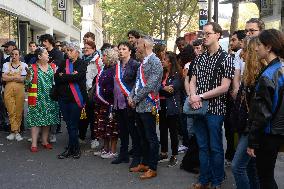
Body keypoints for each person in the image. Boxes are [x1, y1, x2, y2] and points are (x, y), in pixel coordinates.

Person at [189, 22, 234, 189]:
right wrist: (193, 96)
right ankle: (203, 179)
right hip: (198, 107)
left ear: (218, 35)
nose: (204, 37)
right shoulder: (200, 58)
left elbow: (224, 87)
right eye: (203, 33)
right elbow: (192, 81)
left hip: (215, 110)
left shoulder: (226, 58)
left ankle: (216, 181)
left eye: (208, 34)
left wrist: (199, 96)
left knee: (215, 147)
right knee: (202, 146)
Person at [247, 29, 284, 189]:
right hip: (276, 133)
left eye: (259, 45)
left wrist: (252, 142)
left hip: (267, 135)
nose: (256, 48)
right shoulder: (280, 70)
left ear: (268, 47)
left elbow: (262, 114)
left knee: (265, 178)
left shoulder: (268, 75)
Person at [231, 36, 266, 189]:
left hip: (251, 129)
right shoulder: (249, 74)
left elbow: (259, 111)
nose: (241, 54)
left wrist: (252, 136)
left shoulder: (262, 76)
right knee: (251, 167)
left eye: (244, 50)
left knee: (237, 167)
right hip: (246, 127)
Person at [128, 36, 163, 179]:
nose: (136, 46)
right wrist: (131, 96)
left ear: (144, 45)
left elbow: (150, 86)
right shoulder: (143, 62)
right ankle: (145, 163)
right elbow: (137, 83)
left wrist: (135, 99)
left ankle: (153, 168)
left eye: (137, 44)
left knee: (151, 138)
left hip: (148, 105)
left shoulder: (156, 62)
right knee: (142, 137)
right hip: (139, 105)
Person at [55, 42, 87, 159]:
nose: (68, 52)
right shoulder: (64, 62)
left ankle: (72, 148)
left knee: (73, 125)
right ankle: (74, 148)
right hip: (63, 98)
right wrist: (68, 76)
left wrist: (64, 76)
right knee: (68, 125)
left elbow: (78, 77)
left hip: (76, 98)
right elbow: (56, 77)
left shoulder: (82, 63)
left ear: (77, 52)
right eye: (67, 50)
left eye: (70, 50)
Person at [111, 41, 141, 166]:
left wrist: (133, 97)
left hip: (129, 103)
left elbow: (138, 83)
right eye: (119, 49)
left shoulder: (135, 65)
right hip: (118, 103)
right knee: (122, 131)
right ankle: (123, 155)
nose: (121, 51)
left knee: (133, 131)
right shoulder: (116, 66)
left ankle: (136, 157)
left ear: (130, 51)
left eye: (124, 49)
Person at [26, 47, 60, 152]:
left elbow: (57, 82)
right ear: (39, 56)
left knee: (47, 121)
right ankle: (34, 143)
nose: (48, 55)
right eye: (45, 53)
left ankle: (45, 141)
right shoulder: (32, 68)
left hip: (50, 99)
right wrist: (27, 77)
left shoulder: (53, 67)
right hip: (36, 99)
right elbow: (27, 85)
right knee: (35, 121)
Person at [93, 48, 119, 159]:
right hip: (102, 103)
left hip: (110, 103)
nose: (101, 58)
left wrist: (105, 92)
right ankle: (105, 148)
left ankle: (112, 151)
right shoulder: (105, 69)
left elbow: (112, 88)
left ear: (109, 57)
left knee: (112, 128)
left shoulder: (114, 70)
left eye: (103, 56)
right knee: (103, 127)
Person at [158, 51, 182, 167]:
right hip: (161, 104)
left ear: (170, 62)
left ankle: (174, 155)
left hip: (172, 105)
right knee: (162, 129)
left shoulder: (176, 74)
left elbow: (173, 89)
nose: (162, 61)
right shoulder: (162, 73)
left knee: (173, 131)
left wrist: (162, 88)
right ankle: (164, 152)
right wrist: (163, 87)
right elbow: (156, 86)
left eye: (164, 59)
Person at [78, 40, 103, 149]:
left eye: (88, 48)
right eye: (84, 47)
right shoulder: (81, 60)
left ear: (94, 49)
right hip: (81, 92)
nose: (85, 49)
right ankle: (81, 137)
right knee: (82, 116)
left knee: (93, 117)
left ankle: (94, 138)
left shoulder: (98, 62)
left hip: (92, 93)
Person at [39, 34, 64, 139]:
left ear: (49, 41)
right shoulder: (41, 52)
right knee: (42, 107)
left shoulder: (57, 53)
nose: (43, 44)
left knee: (54, 107)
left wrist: (46, 64)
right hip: (42, 84)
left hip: (54, 84)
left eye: (44, 41)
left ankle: (54, 131)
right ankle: (42, 133)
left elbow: (55, 67)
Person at [2, 49, 28, 141]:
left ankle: (14, 131)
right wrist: (15, 77)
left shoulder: (24, 65)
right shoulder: (6, 65)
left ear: (19, 55)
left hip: (20, 89)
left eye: (16, 54)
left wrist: (10, 77)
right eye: (12, 54)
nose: (14, 56)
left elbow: (24, 79)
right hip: (8, 89)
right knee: (10, 110)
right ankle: (15, 132)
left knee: (19, 111)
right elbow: (4, 78)